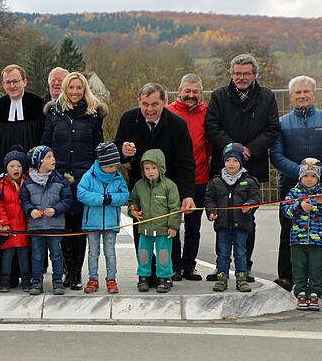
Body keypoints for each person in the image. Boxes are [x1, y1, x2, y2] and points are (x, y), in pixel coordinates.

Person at [205, 54, 279, 282]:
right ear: (231, 74)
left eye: (247, 73)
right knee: (223, 221)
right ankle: (221, 268)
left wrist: (250, 149)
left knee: (247, 221)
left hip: (252, 168)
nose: (242, 77)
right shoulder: (219, 96)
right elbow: (212, 127)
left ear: (255, 75)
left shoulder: (267, 97)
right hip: (223, 169)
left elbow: (272, 128)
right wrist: (233, 149)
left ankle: (244, 268)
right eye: (237, 73)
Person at [114, 83, 195, 284]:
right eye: (145, 104)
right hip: (139, 186)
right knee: (141, 228)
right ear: (138, 102)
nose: (149, 109)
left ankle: (169, 271)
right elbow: (116, 150)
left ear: (165, 102)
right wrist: (122, 151)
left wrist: (187, 194)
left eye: (155, 104)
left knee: (168, 227)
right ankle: (146, 272)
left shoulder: (178, 124)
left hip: (169, 185)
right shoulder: (128, 119)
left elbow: (186, 162)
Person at [270, 75, 322, 295]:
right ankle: (287, 277)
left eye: (306, 91)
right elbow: (276, 155)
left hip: (321, 186)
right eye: (298, 92)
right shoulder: (282, 123)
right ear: (291, 96)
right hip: (290, 185)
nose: (302, 96)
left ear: (313, 94)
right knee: (287, 231)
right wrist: (301, 173)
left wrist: (317, 173)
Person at [42, 71, 106, 290]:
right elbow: (46, 144)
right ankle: (64, 271)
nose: (75, 92)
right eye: (71, 88)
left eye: (79, 88)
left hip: (83, 178)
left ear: (84, 90)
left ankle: (77, 273)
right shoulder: (54, 113)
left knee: (78, 226)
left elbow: (99, 147)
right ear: (65, 89)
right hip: (57, 178)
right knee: (60, 226)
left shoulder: (93, 115)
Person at [165, 73, 212, 281]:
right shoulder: (168, 112)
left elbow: (210, 145)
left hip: (199, 178)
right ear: (179, 90)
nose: (191, 95)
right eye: (187, 92)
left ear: (200, 93)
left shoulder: (208, 113)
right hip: (173, 179)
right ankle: (174, 266)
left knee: (194, 226)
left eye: (195, 92)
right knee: (172, 223)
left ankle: (189, 265)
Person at [204, 143, 259, 293]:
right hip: (222, 225)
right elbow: (209, 199)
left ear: (241, 162)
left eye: (235, 160)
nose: (231, 164)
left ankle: (241, 279)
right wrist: (211, 212)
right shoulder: (216, 181)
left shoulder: (249, 181)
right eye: (228, 160)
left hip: (242, 225)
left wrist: (249, 205)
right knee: (223, 253)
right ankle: (222, 278)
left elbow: (256, 198)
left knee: (241, 253)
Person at [77, 142, 129, 294]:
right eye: (111, 166)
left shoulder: (118, 178)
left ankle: (111, 278)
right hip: (92, 222)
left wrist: (112, 198)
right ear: (102, 163)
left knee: (110, 251)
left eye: (116, 166)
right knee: (93, 252)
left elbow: (125, 195)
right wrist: (100, 199)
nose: (114, 169)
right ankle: (93, 278)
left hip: (111, 222)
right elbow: (81, 193)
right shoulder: (89, 175)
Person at [21, 146, 73, 296]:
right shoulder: (28, 182)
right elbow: (24, 201)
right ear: (39, 161)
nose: (53, 159)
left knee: (56, 254)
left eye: (53, 156)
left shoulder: (60, 180)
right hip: (36, 226)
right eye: (49, 157)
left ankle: (57, 281)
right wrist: (31, 210)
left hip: (55, 226)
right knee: (37, 255)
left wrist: (56, 209)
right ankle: (36, 281)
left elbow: (67, 199)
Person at [127, 149, 181, 293]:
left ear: (161, 168)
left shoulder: (169, 186)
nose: (150, 171)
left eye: (154, 168)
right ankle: (144, 276)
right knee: (143, 253)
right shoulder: (139, 185)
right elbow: (133, 202)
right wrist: (133, 211)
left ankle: (164, 277)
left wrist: (173, 226)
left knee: (163, 253)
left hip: (163, 229)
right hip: (145, 228)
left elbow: (175, 208)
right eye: (147, 168)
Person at [284, 158, 322, 311]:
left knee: (316, 267)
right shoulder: (294, 192)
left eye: (313, 176)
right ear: (300, 177)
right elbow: (286, 211)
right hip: (297, 239)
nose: (309, 179)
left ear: (317, 177)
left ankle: (314, 293)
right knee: (299, 267)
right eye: (306, 176)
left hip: (318, 241)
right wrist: (299, 206)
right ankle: (300, 293)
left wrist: (320, 203)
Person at [0, 64, 46, 175]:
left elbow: (45, 138)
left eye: (15, 81)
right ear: (3, 84)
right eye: (8, 82)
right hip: (2, 167)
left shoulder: (38, 104)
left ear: (24, 82)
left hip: (33, 168)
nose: (12, 86)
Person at [0, 145, 31, 292]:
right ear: (6, 168)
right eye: (12, 166)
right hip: (8, 228)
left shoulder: (27, 183)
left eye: (18, 166)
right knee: (7, 255)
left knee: (23, 255)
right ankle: (5, 280)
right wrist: (3, 223)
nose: (15, 169)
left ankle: (26, 280)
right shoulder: (1, 185)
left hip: (23, 227)